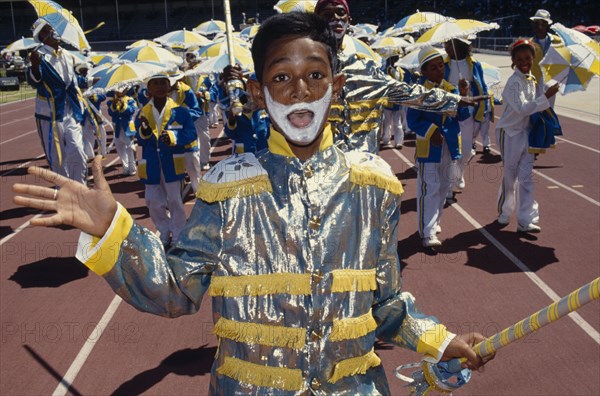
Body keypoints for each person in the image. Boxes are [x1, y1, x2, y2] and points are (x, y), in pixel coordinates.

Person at [13, 13, 493, 395]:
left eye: (315, 75)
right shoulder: (227, 188)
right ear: (258, 94)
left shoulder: (376, 187)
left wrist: (440, 340)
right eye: (281, 78)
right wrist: (113, 231)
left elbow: (385, 304)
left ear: (337, 87)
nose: (300, 90)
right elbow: (176, 292)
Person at [313, 0, 485, 154]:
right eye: (328, 14)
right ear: (316, 21)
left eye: (340, 13)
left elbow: (407, 92)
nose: (336, 18)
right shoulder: (303, 66)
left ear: (349, 20)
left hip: (362, 163)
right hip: (321, 159)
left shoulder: (364, 65)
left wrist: (453, 99)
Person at [408, 47, 470, 248]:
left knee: (444, 188)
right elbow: (413, 120)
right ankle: (427, 233)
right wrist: (431, 130)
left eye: (441, 66)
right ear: (423, 72)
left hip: (449, 146)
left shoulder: (451, 89)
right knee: (429, 189)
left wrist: (462, 95)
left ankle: (434, 223)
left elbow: (463, 116)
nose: (438, 70)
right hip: (429, 148)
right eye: (433, 68)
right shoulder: (419, 92)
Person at [495, 39, 559, 233]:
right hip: (510, 133)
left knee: (527, 178)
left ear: (533, 59)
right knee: (510, 176)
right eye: (520, 58)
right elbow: (523, 109)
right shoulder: (513, 83)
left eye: (528, 58)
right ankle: (505, 211)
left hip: (526, 134)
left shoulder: (532, 80)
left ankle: (526, 219)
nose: (525, 62)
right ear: (513, 61)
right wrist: (546, 97)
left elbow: (536, 109)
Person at [137, 73, 197, 247]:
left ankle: (178, 233)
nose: (160, 86)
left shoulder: (181, 111)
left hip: (172, 163)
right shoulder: (143, 112)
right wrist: (145, 131)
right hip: (151, 164)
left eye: (163, 83)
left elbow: (191, 134)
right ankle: (164, 231)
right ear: (149, 88)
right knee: (153, 201)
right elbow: (139, 138)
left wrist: (174, 136)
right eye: (155, 83)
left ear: (169, 85)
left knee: (175, 200)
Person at [27, 18, 88, 184]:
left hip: (71, 110)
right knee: (56, 155)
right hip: (50, 113)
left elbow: (72, 81)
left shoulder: (68, 55)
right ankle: (63, 189)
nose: (55, 31)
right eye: (49, 28)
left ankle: (79, 186)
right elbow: (34, 81)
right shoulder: (38, 56)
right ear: (43, 34)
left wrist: (85, 81)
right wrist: (34, 66)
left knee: (76, 148)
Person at [443, 37, 493, 190]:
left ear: (459, 46)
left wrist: (485, 108)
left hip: (467, 112)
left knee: (466, 150)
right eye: (445, 45)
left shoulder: (474, 64)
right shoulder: (443, 64)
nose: (446, 49)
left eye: (449, 45)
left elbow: (482, 87)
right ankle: (450, 185)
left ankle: (460, 173)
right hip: (449, 112)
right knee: (451, 149)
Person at [530, 9, 563, 106]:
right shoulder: (530, 44)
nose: (539, 26)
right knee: (535, 110)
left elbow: (564, 59)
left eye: (543, 23)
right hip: (535, 84)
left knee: (549, 110)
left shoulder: (557, 41)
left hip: (551, 82)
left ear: (547, 25)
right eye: (537, 23)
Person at [107, 88, 138, 176]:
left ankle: (132, 167)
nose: (119, 92)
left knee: (129, 147)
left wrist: (123, 104)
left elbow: (131, 111)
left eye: (121, 90)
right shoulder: (111, 101)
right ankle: (125, 166)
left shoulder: (130, 100)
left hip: (127, 127)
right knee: (119, 146)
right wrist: (114, 104)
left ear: (125, 90)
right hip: (117, 127)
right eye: (117, 90)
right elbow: (110, 113)